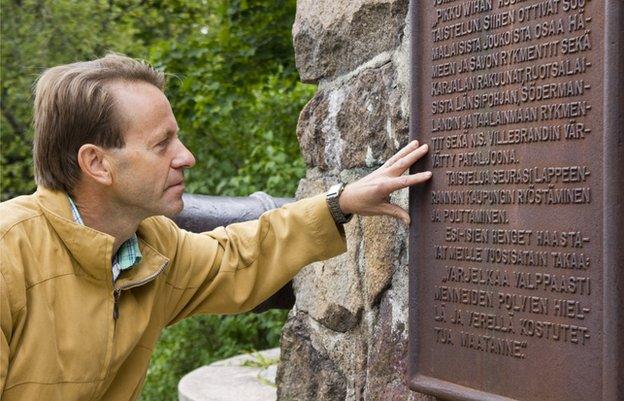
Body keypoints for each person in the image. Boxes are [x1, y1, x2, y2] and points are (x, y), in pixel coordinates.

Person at [0, 54, 431, 400]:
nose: (185, 157)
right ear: (97, 164)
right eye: (161, 143)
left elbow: (238, 256)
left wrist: (341, 202)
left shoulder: (150, 246)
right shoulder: (9, 255)